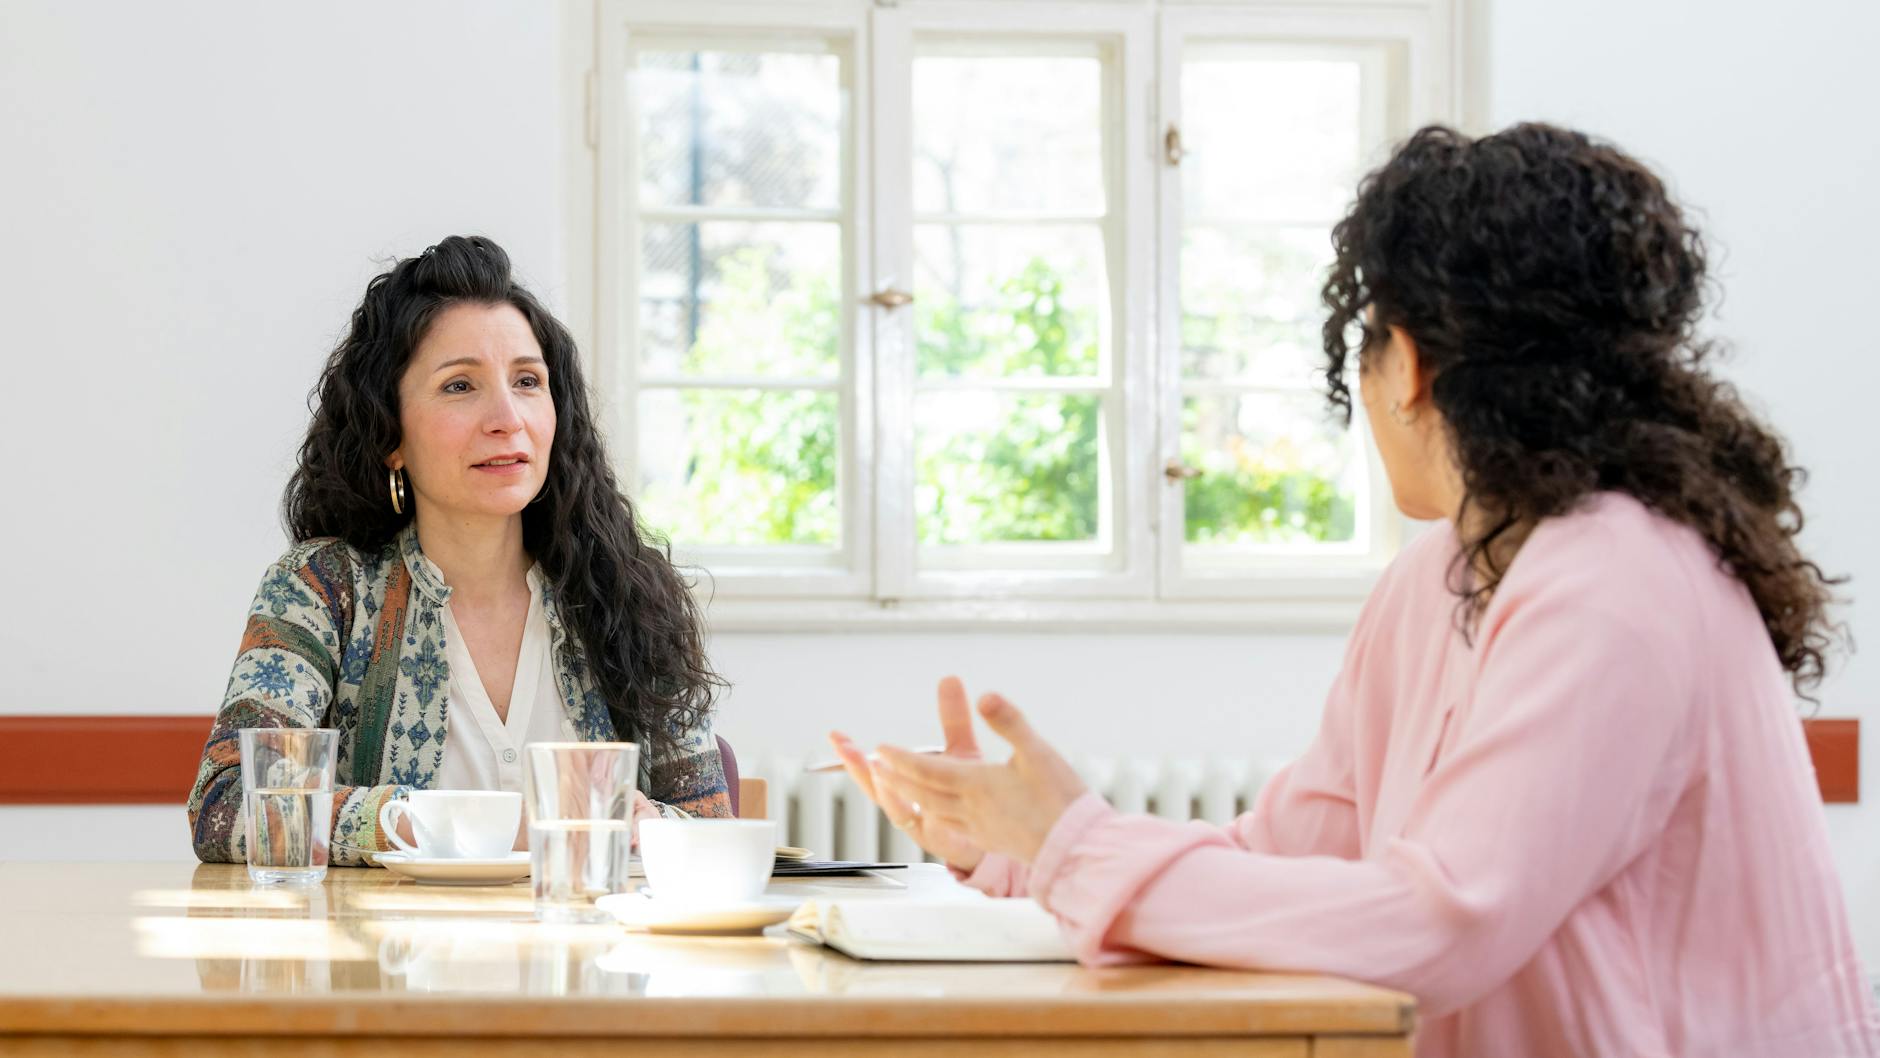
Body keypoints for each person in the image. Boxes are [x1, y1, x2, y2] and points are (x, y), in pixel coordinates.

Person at [831, 124, 1880, 1056]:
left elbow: (1439, 920)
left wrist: (1074, 844)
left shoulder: (1616, 574)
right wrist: (1018, 849)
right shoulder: (1436, 576)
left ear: (1406, 362)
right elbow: (1284, 858)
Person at [188, 235, 731, 865]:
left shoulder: (630, 590)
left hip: (585, 956)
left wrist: (648, 823)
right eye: (459, 387)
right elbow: (230, 805)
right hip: (383, 960)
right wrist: (499, 824)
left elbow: (710, 829)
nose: (507, 416)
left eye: (527, 381)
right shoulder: (321, 589)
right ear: (390, 433)